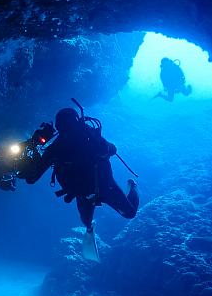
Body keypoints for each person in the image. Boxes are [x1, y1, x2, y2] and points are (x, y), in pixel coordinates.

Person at [23, 107, 139, 260]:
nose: (69, 132)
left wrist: (102, 145)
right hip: (82, 194)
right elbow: (31, 178)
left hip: (105, 187)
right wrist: (31, 148)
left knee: (129, 213)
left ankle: (133, 187)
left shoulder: (90, 137)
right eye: (65, 127)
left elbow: (112, 149)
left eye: (69, 126)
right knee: (88, 223)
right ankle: (90, 228)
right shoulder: (56, 148)